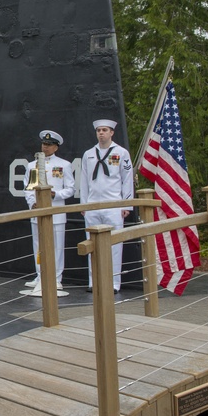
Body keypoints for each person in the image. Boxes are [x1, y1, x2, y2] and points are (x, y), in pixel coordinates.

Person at [80, 120, 134, 293]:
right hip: (93, 204)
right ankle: (93, 281)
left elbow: (127, 179)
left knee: (115, 247)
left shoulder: (121, 153)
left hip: (114, 205)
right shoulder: (89, 154)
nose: (101, 133)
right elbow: (84, 180)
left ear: (112, 132)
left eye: (104, 130)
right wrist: (84, 204)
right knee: (92, 245)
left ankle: (113, 283)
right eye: (98, 130)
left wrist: (126, 205)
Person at [22, 130, 75, 296]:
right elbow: (28, 188)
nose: (45, 147)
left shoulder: (64, 165)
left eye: (49, 145)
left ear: (56, 147)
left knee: (56, 246)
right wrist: (32, 203)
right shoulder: (33, 166)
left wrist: (55, 195)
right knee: (38, 246)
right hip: (38, 212)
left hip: (56, 212)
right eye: (44, 144)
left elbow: (71, 189)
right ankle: (40, 275)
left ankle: (56, 278)